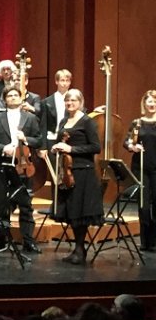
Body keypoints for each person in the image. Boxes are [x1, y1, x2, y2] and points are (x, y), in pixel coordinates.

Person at [0, 86, 43, 253]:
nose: (13, 98)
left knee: (26, 205)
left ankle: (28, 241)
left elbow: (38, 140)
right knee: (1, 205)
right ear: (5, 99)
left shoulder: (30, 118)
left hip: (23, 167)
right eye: (9, 95)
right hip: (2, 165)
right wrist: (3, 148)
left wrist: (26, 138)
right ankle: (0, 240)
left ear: (21, 97)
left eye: (16, 95)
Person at [52, 89, 103, 265]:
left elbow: (96, 147)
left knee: (80, 212)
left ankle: (80, 250)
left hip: (83, 172)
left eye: (73, 100)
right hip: (67, 171)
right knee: (72, 211)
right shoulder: (64, 121)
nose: (70, 103)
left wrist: (72, 150)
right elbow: (62, 142)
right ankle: (77, 249)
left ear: (80, 101)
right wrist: (56, 146)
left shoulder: (87, 121)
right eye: (67, 100)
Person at [125, 90, 156, 251]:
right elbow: (127, 142)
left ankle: (155, 241)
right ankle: (145, 241)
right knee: (143, 205)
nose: (151, 104)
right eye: (149, 101)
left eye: (154, 102)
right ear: (144, 104)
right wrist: (132, 146)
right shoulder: (137, 123)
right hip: (141, 167)